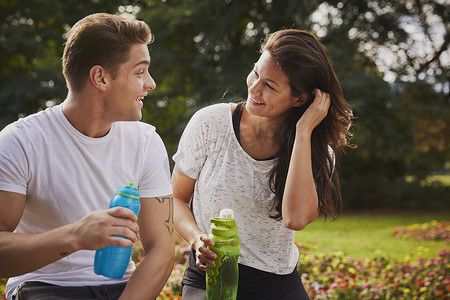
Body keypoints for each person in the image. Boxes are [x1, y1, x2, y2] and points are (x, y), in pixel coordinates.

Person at [0, 13, 174, 300]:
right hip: (45, 287)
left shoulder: (146, 142)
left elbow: (162, 251)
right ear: (101, 77)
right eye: (140, 72)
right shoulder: (19, 142)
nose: (151, 84)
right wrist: (76, 236)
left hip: (123, 289)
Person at [171, 29, 353, 299]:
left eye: (270, 85)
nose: (255, 88)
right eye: (256, 73)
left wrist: (303, 132)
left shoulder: (317, 152)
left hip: (277, 285)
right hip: (211, 277)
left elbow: (296, 218)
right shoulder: (209, 124)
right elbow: (175, 198)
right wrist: (196, 238)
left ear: (300, 99)